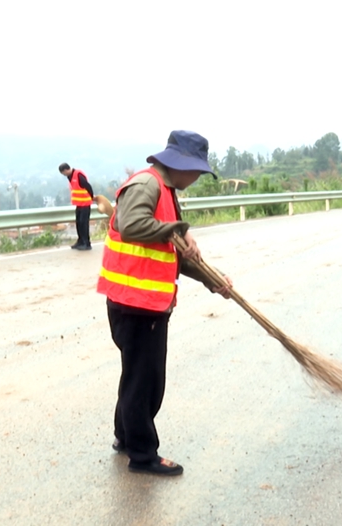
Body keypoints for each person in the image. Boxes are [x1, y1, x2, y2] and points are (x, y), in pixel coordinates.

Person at [96, 130, 233, 476]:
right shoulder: (148, 185)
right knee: (146, 382)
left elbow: (172, 252)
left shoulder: (165, 190)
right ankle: (143, 455)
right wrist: (181, 228)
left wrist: (213, 281)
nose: (197, 177)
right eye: (197, 171)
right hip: (137, 304)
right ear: (182, 164)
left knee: (137, 377)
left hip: (141, 301)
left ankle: (125, 437)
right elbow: (131, 225)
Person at [58, 163, 94, 250]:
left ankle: (86, 243)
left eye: (63, 173)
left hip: (85, 203)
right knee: (78, 223)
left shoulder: (78, 175)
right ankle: (80, 241)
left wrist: (92, 197)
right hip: (79, 204)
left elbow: (88, 186)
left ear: (66, 170)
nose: (64, 175)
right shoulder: (70, 177)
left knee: (84, 224)